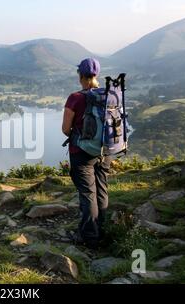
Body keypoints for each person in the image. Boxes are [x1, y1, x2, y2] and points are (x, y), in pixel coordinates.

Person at [62, 58, 113, 249]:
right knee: (101, 189)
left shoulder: (75, 97)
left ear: (80, 75)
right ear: (97, 74)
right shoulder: (109, 95)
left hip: (82, 152)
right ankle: (101, 229)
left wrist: (81, 135)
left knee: (87, 194)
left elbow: (65, 129)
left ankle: (89, 238)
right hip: (105, 151)